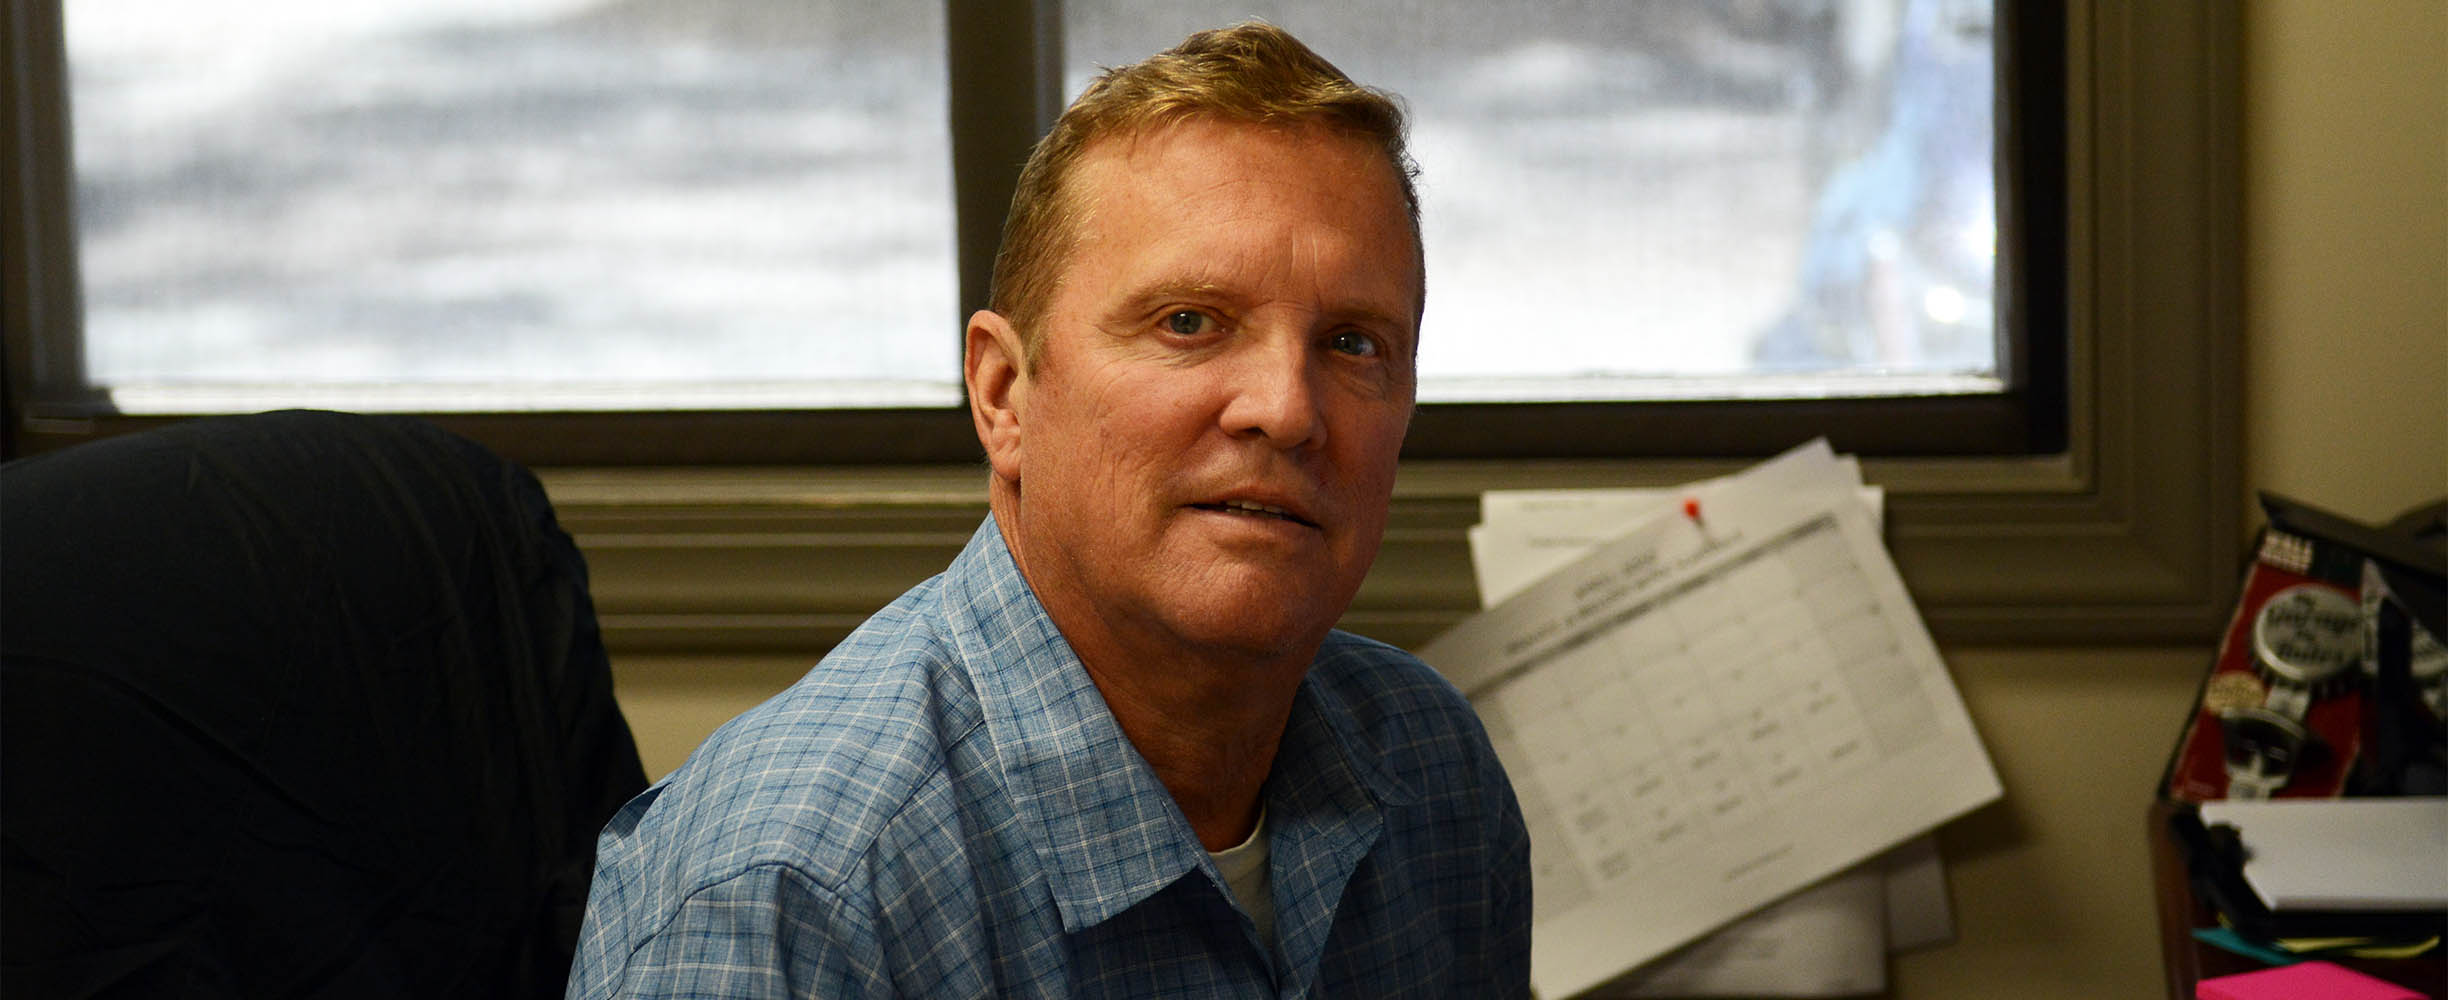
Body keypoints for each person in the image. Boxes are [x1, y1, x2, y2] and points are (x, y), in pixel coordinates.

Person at [567, 21, 1530, 998]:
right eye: (1189, 322)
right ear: (1004, 396)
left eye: (1354, 343)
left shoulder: (1432, 767)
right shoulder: (792, 895)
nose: (1286, 409)